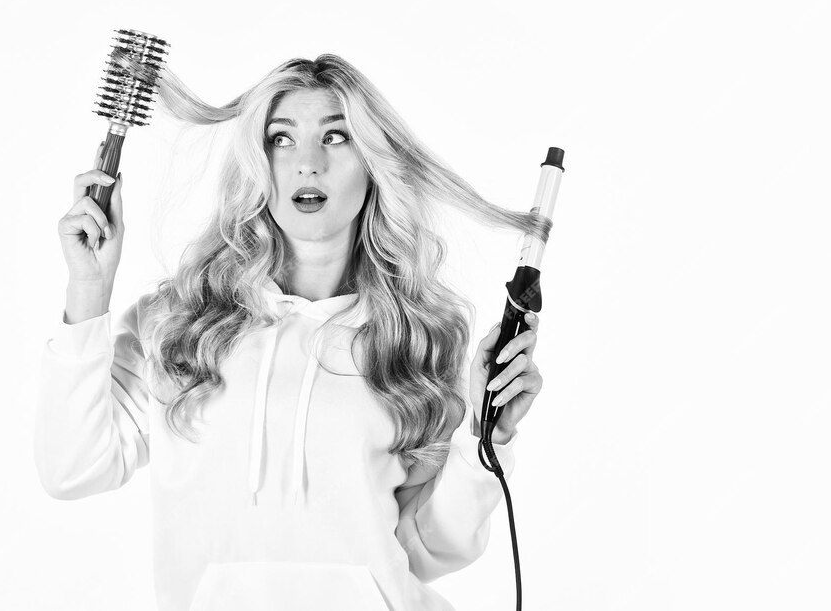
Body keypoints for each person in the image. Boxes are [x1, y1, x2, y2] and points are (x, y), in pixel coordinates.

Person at [34, 54, 549, 611]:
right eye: (282, 139)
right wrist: (89, 287)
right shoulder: (179, 323)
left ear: (372, 162)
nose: (308, 162)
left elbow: (427, 551)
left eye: (336, 137)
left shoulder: (415, 339)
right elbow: (72, 468)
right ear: (258, 163)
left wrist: (485, 437)